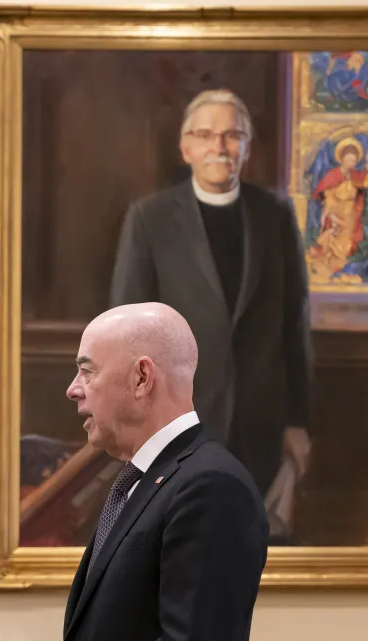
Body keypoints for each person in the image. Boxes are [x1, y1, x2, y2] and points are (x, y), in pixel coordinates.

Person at [23, 303, 268, 641]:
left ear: (141, 377)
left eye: (87, 371)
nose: (72, 389)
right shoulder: (143, 482)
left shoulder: (209, 486)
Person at [109, 88, 313, 541]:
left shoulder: (275, 215)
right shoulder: (150, 218)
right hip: (178, 423)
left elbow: (294, 323)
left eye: (231, 135)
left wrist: (297, 420)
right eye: (205, 135)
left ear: (246, 147)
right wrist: (134, 421)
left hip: (263, 423)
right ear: (186, 148)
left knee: (253, 553)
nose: (219, 147)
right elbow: (126, 331)